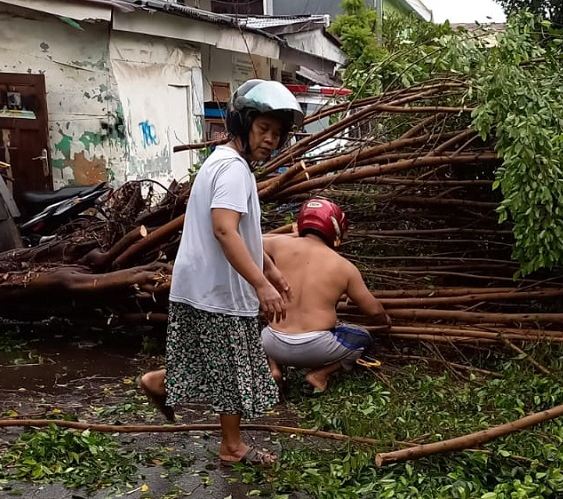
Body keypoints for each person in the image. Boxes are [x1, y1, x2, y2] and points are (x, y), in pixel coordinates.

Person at [137, 79, 304, 466]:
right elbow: (225, 231)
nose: (270, 140)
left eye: (277, 134)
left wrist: (271, 270)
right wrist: (261, 285)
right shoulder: (232, 170)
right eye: (263, 129)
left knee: (208, 359)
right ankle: (232, 447)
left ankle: (159, 382)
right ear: (243, 124)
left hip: (200, 284)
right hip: (217, 289)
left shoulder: (224, 162)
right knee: (231, 368)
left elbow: (244, 232)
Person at [260, 198, 391, 396]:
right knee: (363, 338)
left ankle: (275, 369)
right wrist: (385, 321)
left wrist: (292, 235)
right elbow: (373, 310)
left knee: (266, 325)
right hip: (317, 348)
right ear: (337, 229)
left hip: (272, 343)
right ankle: (320, 374)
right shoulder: (344, 267)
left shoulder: (279, 245)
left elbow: (250, 239)